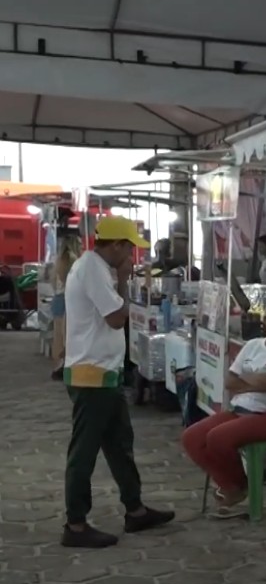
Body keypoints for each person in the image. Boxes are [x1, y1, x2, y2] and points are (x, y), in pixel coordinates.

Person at [62, 216, 175, 548]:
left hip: (103, 373)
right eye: (128, 248)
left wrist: (123, 280)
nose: (131, 256)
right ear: (115, 245)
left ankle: (135, 509)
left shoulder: (96, 268)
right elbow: (115, 319)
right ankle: (76, 524)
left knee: (119, 444)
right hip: (91, 375)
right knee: (84, 451)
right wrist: (126, 285)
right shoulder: (93, 269)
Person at [181, 299, 266, 518]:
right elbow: (229, 382)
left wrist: (248, 380)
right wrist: (259, 380)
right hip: (240, 409)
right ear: (265, 320)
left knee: (218, 438)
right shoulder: (253, 345)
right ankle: (233, 485)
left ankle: (237, 486)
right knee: (192, 437)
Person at [51, 232, 82, 380]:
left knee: (58, 334)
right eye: (80, 244)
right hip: (66, 298)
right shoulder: (73, 259)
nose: (82, 246)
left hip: (57, 297)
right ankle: (65, 365)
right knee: (67, 334)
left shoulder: (58, 259)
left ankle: (58, 365)